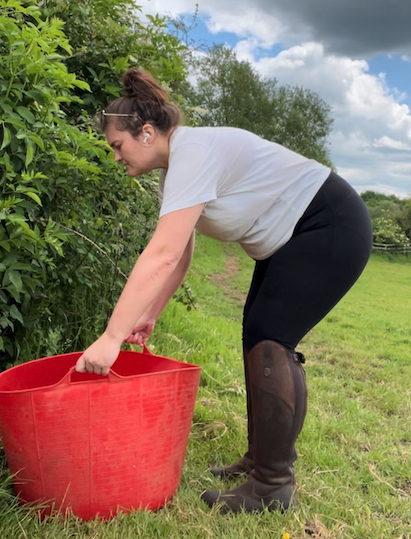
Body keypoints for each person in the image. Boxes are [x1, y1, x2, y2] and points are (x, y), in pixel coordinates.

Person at [75, 68, 373, 514]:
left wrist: (111, 337)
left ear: (147, 132)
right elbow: (181, 256)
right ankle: (261, 460)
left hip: (327, 224)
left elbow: (161, 255)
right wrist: (149, 313)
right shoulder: (176, 170)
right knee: (258, 336)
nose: (116, 157)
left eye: (117, 146)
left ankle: (272, 483)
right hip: (291, 237)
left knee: (271, 338)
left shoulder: (194, 151)